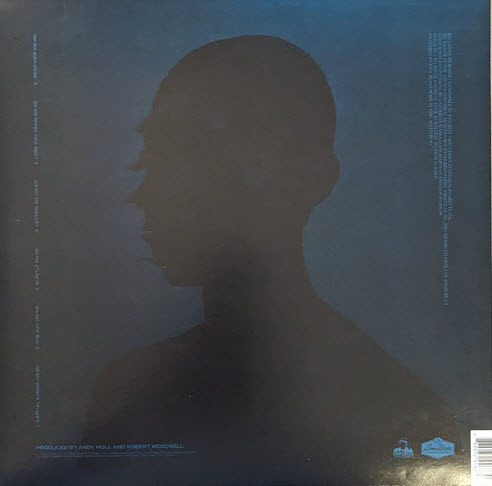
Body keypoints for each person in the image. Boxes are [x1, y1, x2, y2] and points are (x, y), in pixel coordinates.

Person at [84, 35, 459, 484]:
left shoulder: (406, 414)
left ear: (308, 178)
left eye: (190, 154)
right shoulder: (127, 391)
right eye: (154, 159)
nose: (143, 194)